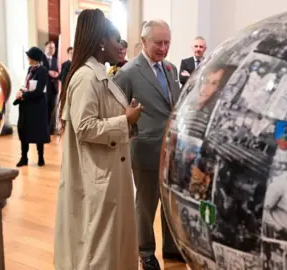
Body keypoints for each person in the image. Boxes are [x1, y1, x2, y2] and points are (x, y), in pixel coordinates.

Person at [53, 9, 142, 270]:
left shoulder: (101, 76)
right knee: (98, 247)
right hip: (97, 178)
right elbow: (85, 127)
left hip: (108, 174)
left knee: (111, 242)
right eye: (117, 40)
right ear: (101, 41)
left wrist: (127, 117)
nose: (121, 46)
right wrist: (125, 120)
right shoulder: (86, 77)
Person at [113, 20, 183, 269]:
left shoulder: (171, 69)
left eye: (167, 43)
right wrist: (132, 135)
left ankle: (172, 247)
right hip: (145, 150)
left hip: (171, 150)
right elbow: (118, 111)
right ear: (144, 41)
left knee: (169, 201)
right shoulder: (128, 72)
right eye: (158, 43)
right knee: (146, 203)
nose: (164, 48)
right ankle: (145, 251)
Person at [13, 46, 50, 167]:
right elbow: (26, 84)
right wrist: (20, 91)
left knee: (38, 131)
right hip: (27, 105)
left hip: (37, 106)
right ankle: (24, 158)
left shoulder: (43, 71)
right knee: (24, 130)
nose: (27, 58)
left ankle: (41, 158)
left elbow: (39, 91)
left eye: (29, 56)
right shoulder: (30, 69)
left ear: (34, 58)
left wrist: (24, 95)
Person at [43, 40, 60, 135]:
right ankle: (45, 129)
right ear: (45, 48)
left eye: (53, 48)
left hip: (53, 87)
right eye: (50, 47)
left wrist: (57, 74)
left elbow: (57, 71)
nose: (52, 49)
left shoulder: (55, 59)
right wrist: (48, 72)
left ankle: (52, 129)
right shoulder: (41, 59)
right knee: (44, 109)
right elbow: (40, 70)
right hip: (44, 87)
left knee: (53, 108)